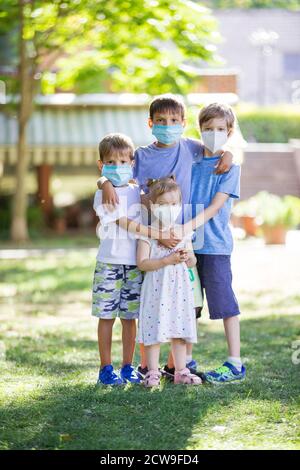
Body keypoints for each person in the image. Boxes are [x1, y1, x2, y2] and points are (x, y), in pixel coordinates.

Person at [97, 94, 233, 378]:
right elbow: (116, 169)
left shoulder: (190, 147)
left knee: (185, 301)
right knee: (151, 302)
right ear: (151, 123)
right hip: (148, 239)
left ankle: (177, 364)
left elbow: (216, 151)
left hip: (180, 235)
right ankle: (147, 365)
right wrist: (104, 181)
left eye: (173, 121)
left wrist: (229, 155)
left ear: (183, 124)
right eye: (160, 121)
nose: (167, 125)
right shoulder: (143, 155)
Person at [92, 133, 177, 386]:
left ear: (132, 163)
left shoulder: (137, 192)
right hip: (109, 263)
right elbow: (125, 223)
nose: (117, 167)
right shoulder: (104, 194)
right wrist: (104, 182)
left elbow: (156, 205)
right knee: (106, 317)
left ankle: (127, 366)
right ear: (102, 165)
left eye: (123, 162)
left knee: (130, 318)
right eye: (111, 163)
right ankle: (106, 369)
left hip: (135, 264)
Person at [186, 102, 246, 384]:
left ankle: (234, 362)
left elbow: (215, 206)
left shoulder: (231, 168)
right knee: (189, 305)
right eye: (207, 129)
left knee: (225, 304)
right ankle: (185, 362)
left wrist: (187, 225)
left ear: (229, 131)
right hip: (188, 248)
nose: (213, 133)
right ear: (199, 130)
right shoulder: (191, 159)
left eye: (220, 129)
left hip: (216, 246)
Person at [137, 177, 202, 387]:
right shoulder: (148, 235)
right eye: (163, 205)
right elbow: (142, 263)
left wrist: (186, 257)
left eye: (174, 204)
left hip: (178, 291)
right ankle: (152, 372)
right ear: (154, 206)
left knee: (179, 329)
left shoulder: (183, 232)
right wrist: (166, 260)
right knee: (154, 329)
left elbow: (192, 261)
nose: (169, 209)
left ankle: (181, 371)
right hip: (156, 289)